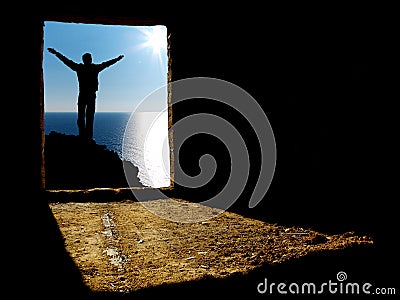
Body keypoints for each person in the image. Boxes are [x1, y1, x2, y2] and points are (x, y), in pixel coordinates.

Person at [47, 48, 124, 140]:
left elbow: (67, 61)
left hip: (84, 95)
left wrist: (56, 53)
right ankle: (87, 138)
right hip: (89, 95)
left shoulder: (81, 68)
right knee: (88, 117)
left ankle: (84, 137)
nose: (88, 60)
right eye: (88, 58)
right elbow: (106, 64)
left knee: (83, 117)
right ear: (89, 59)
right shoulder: (93, 68)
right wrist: (117, 59)